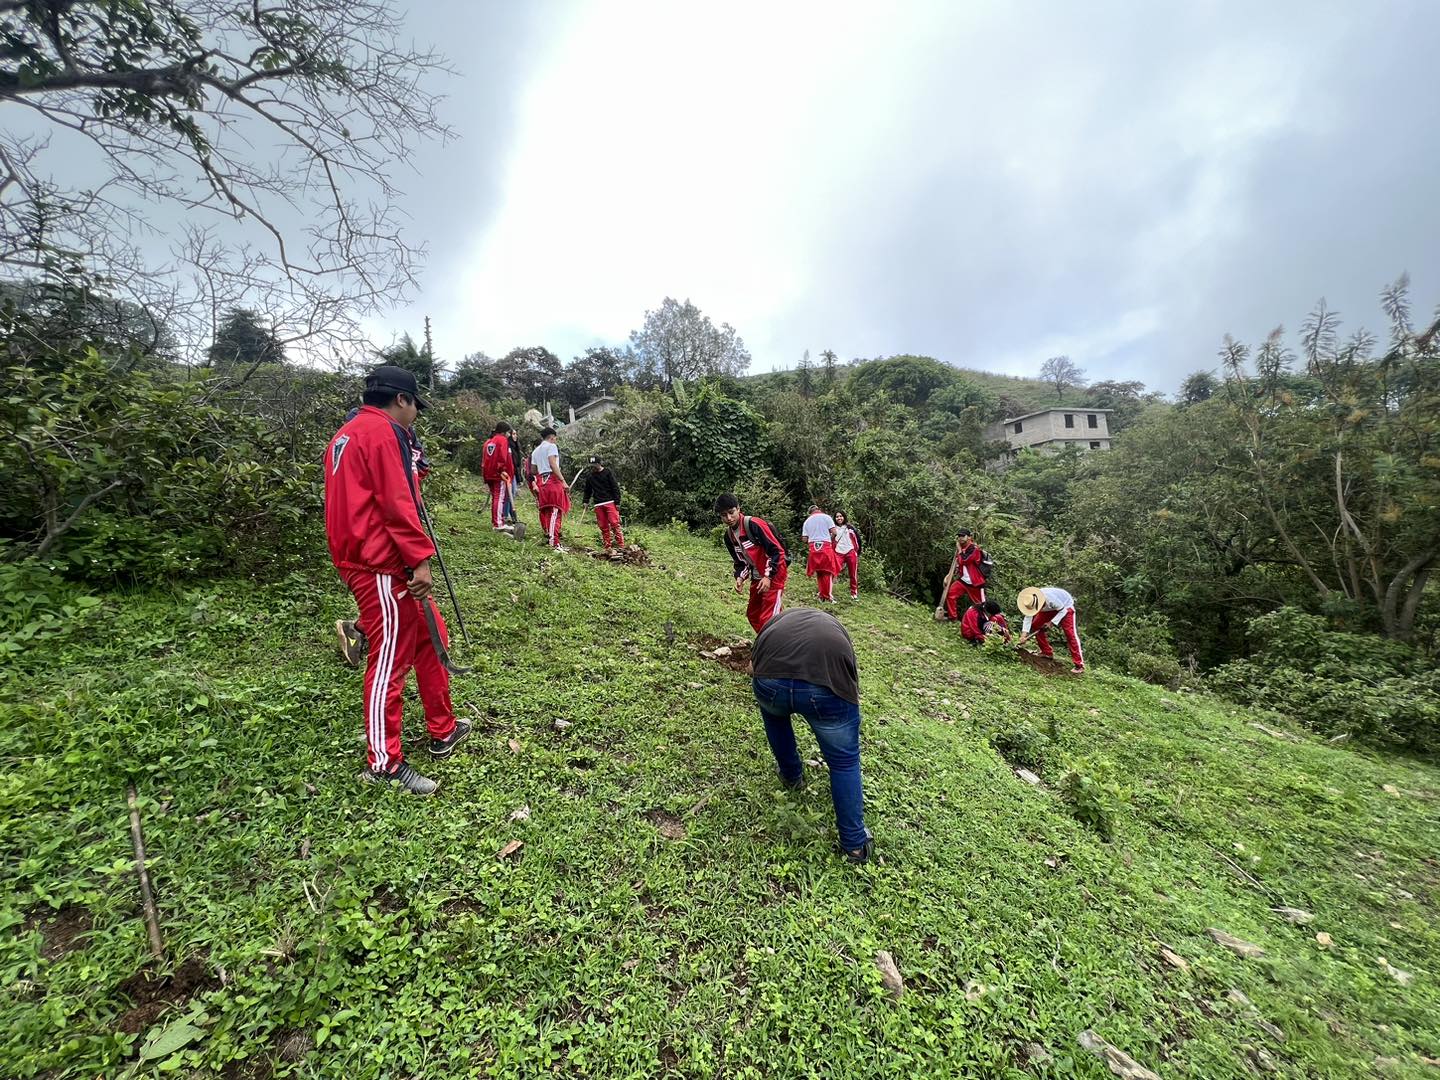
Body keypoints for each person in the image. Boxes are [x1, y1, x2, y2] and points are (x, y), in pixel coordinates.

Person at [324, 365, 472, 795]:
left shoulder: (349, 433)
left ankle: (442, 728)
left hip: (371, 554)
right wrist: (419, 557)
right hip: (378, 561)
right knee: (389, 659)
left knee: (430, 634)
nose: (416, 416)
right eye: (415, 407)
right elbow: (395, 500)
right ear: (402, 399)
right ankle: (384, 764)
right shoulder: (382, 433)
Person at [751, 608, 873, 864]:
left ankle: (791, 776)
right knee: (844, 761)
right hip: (826, 688)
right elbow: (850, 682)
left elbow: (752, 668)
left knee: (775, 718)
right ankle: (854, 846)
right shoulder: (837, 634)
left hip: (770, 682)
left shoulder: (775, 623)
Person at [716, 492, 789, 635]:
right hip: (757, 575)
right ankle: (770, 642)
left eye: (731, 513)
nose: (729, 518)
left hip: (774, 573)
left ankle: (773, 648)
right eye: (724, 515)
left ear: (738, 508)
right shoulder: (729, 536)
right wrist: (740, 577)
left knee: (769, 619)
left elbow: (777, 551)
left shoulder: (754, 524)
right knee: (753, 614)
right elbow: (740, 562)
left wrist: (768, 576)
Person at [1016, 586, 1084, 674]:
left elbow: (1062, 610)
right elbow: (1028, 618)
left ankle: (1079, 665)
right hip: (1049, 609)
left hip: (1065, 606)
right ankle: (1046, 652)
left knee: (1070, 634)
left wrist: (1051, 623)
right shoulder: (1030, 602)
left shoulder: (1051, 599)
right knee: (1036, 625)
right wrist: (1023, 635)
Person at [529, 427, 571, 550]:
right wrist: (563, 481)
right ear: (552, 437)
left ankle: (552, 538)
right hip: (552, 480)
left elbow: (533, 470)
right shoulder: (551, 446)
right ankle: (554, 543)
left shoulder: (536, 451)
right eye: (555, 438)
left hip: (542, 481)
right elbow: (553, 464)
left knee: (547, 512)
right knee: (555, 512)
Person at [941, 528, 988, 619]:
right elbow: (958, 564)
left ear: (969, 537)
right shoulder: (962, 549)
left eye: (963, 536)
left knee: (980, 605)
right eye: (959, 536)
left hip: (975, 583)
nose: (960, 538)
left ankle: (985, 625)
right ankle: (952, 618)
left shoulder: (975, 549)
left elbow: (964, 561)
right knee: (950, 595)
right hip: (963, 580)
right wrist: (949, 575)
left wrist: (959, 550)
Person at [580, 455, 625, 550]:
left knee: (614, 523)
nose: (593, 467)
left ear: (599, 463)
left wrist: (617, 502)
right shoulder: (590, 476)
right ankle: (607, 547)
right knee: (603, 526)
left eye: (595, 464)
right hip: (598, 503)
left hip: (610, 501)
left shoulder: (607, 472)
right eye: (591, 465)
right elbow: (587, 490)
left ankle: (621, 546)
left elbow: (615, 487)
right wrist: (585, 501)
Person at [801, 504, 841, 602]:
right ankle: (828, 596)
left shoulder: (807, 521)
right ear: (819, 509)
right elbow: (835, 532)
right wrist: (829, 539)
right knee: (828, 572)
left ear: (810, 513)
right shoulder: (826, 517)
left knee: (819, 572)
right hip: (825, 546)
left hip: (813, 548)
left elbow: (804, 539)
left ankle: (822, 595)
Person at [481, 421, 515, 532]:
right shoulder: (502, 440)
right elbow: (502, 457)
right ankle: (498, 524)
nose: (509, 435)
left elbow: (485, 460)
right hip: (498, 474)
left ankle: (496, 520)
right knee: (499, 498)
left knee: (495, 497)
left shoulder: (489, 442)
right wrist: (502, 470)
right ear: (505, 432)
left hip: (489, 473)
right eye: (508, 432)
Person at [833, 510, 861, 601]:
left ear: (844, 517)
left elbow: (858, 540)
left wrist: (857, 552)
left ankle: (854, 593)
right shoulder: (833, 529)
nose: (839, 518)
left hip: (850, 551)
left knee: (853, 573)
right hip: (838, 552)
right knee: (833, 572)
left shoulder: (850, 528)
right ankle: (828, 592)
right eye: (837, 517)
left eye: (841, 516)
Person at [503, 429, 522, 524]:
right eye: (513, 434)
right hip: (508, 473)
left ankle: (511, 515)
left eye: (516, 434)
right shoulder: (507, 445)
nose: (515, 436)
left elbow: (517, 464)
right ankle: (505, 515)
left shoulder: (515, 447)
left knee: (512, 494)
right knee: (508, 494)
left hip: (514, 473)